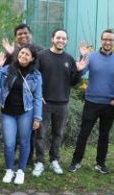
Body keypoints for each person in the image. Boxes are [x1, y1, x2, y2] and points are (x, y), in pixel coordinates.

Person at [32, 29, 87, 176]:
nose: (61, 40)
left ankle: (54, 160)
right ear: (52, 38)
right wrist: (38, 96)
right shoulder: (42, 56)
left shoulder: (69, 59)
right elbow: (34, 77)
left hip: (62, 103)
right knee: (41, 134)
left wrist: (79, 71)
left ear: (66, 41)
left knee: (58, 134)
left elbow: (74, 82)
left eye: (64, 38)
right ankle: (40, 162)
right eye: (58, 38)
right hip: (44, 103)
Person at [69, 29, 114, 174]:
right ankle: (76, 162)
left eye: (111, 40)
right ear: (101, 41)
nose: (108, 42)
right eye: (105, 39)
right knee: (84, 133)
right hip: (91, 102)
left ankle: (100, 163)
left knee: (104, 135)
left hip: (109, 104)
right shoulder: (91, 56)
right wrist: (82, 57)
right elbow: (81, 72)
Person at [0, 46, 42, 184]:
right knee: (9, 143)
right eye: (21, 53)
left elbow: (38, 97)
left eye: (27, 54)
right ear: (17, 55)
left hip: (26, 112)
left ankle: (20, 171)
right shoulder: (7, 69)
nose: (23, 55)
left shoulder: (36, 75)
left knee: (24, 142)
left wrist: (38, 117)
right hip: (8, 112)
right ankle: (9, 170)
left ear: (32, 58)